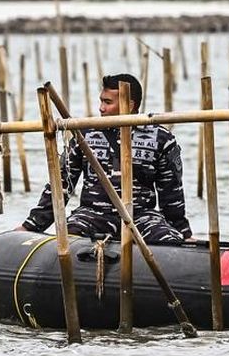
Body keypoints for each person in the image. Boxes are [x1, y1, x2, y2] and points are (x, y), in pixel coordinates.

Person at [18, 73, 192, 244]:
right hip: (92, 215)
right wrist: (31, 226)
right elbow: (61, 185)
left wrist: (183, 233)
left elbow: (171, 193)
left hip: (141, 217)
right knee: (68, 239)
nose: (101, 108)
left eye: (107, 102)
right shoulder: (84, 134)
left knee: (170, 242)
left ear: (129, 105)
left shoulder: (161, 139)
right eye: (101, 101)